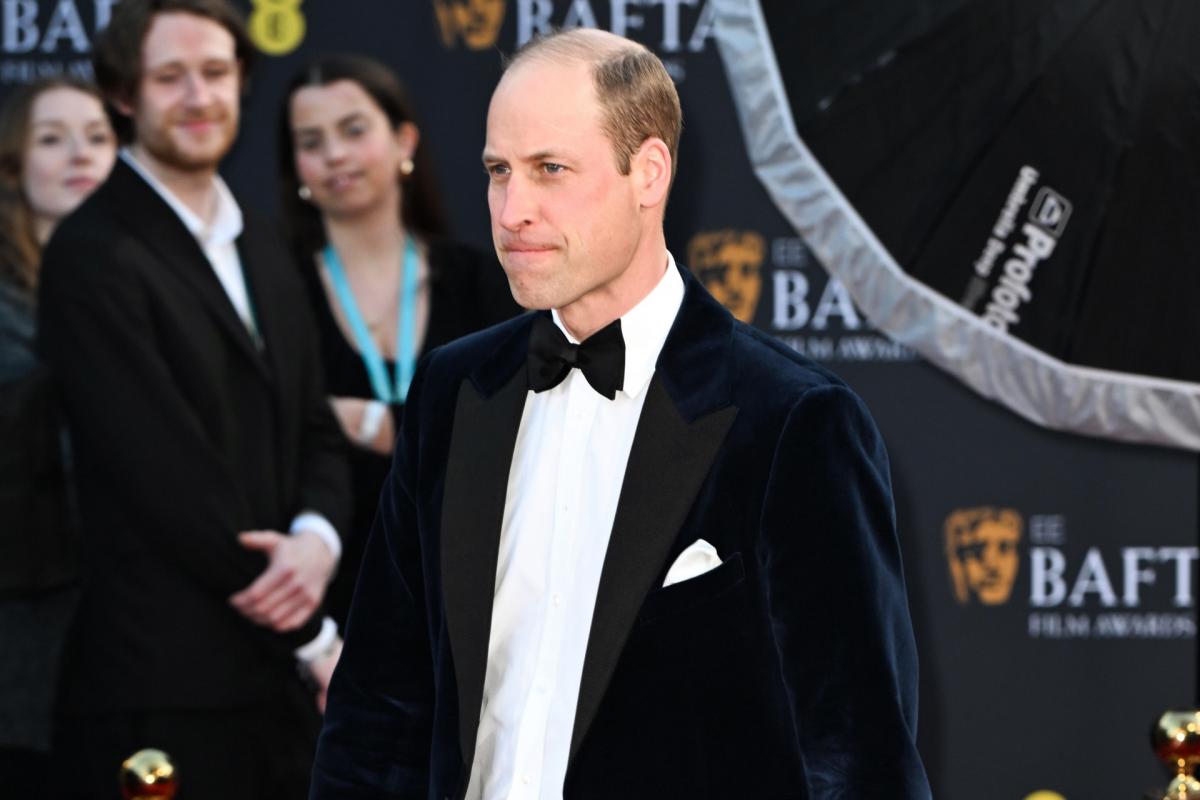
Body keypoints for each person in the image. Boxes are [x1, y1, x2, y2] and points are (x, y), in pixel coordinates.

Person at [312, 28, 931, 800]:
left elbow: (856, 756)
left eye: (550, 171)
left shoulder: (793, 421)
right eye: (498, 172)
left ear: (649, 171)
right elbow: (380, 709)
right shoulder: (454, 391)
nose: (512, 210)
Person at [36, 1, 351, 797]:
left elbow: (316, 421)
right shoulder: (92, 253)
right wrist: (314, 636)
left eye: (215, 73)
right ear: (124, 96)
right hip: (160, 693)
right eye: (169, 77)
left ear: (243, 83)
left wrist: (318, 539)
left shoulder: (265, 244)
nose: (198, 97)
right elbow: (165, 475)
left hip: (273, 698)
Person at [279, 54, 518, 627]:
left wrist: (370, 421)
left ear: (403, 141)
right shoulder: (275, 290)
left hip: (472, 606)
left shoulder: (482, 279)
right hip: (321, 622)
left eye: (353, 130)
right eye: (311, 142)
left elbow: (514, 425)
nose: (334, 154)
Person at [0, 76, 116, 797]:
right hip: (20, 660)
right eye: (53, 138)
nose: (80, 153)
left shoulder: (145, 289)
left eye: (99, 137)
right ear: (13, 168)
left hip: (125, 645)